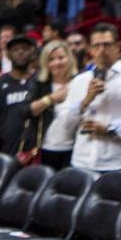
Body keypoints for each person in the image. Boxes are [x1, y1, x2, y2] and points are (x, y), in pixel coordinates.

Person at [65, 24, 121, 172]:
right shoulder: (80, 80)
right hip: (82, 161)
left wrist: (110, 129)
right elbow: (67, 123)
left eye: (107, 45)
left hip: (119, 163)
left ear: (117, 47)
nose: (102, 50)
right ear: (90, 50)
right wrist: (86, 100)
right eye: (97, 46)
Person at [27, 40, 79, 169]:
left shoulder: (80, 81)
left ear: (69, 59)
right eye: (51, 59)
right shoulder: (39, 82)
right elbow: (25, 111)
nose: (57, 63)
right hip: (45, 149)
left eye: (61, 58)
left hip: (75, 149)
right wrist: (50, 99)